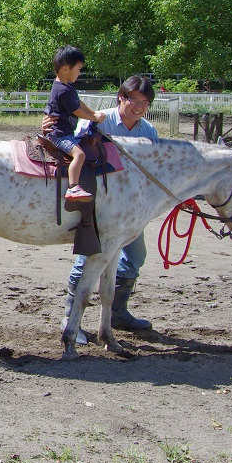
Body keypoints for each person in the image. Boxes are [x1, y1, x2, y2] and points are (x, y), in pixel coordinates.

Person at [44, 74, 160, 343]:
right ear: (122, 97)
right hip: (99, 207)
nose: (139, 107)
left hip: (130, 211)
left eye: (145, 102)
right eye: (134, 100)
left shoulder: (148, 132)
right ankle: (70, 316)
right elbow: (71, 145)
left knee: (135, 256)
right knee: (88, 257)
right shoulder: (100, 119)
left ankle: (117, 312)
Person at [43, 46, 106, 200]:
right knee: (79, 154)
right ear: (65, 69)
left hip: (64, 130)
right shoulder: (62, 90)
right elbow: (77, 111)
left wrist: (93, 113)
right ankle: (73, 187)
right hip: (59, 133)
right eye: (78, 69)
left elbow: (79, 103)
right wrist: (94, 118)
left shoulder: (67, 86)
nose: (79, 73)